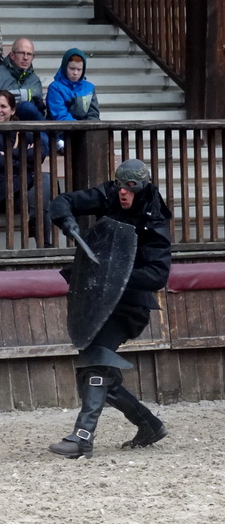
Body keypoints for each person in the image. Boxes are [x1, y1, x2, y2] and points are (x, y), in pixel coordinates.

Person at [48, 160, 171, 459]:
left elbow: (158, 275)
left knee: (95, 363)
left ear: (142, 188)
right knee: (99, 373)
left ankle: (82, 437)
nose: (124, 194)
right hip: (96, 298)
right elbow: (64, 201)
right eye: (121, 186)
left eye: (131, 188)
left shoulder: (154, 222)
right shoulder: (109, 194)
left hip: (129, 305)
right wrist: (68, 221)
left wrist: (116, 274)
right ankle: (149, 424)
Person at [0, 90, 52, 246]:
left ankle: (36, 226)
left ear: (12, 110)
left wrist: (11, 154)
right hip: (2, 190)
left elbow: (41, 153)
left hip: (25, 186)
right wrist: (24, 156)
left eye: (3, 106)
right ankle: (43, 243)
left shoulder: (21, 129)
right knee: (41, 192)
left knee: (45, 179)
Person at [0, 37, 45, 121]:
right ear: (12, 55)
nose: (25, 58)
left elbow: (40, 110)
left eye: (29, 54)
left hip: (26, 131)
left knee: (27, 107)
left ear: (33, 57)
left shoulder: (35, 81)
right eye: (21, 53)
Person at [46, 47, 100, 153]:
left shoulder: (89, 88)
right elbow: (59, 115)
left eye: (79, 69)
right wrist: (81, 128)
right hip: (62, 132)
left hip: (84, 131)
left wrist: (86, 128)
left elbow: (93, 114)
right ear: (64, 67)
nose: (75, 73)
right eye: (72, 68)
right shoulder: (55, 87)